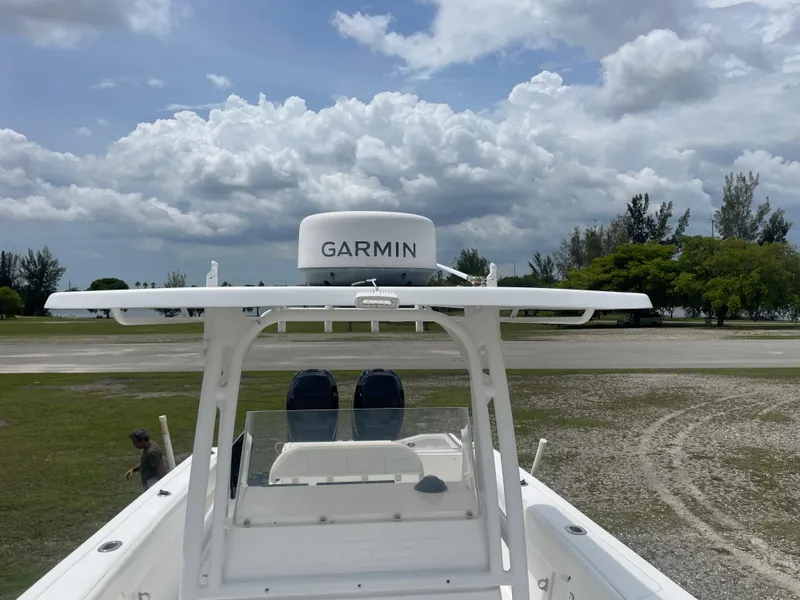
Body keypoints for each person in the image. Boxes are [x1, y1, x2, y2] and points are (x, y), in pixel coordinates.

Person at [125, 428, 167, 492]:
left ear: (142, 440)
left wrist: (160, 488)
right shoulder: (149, 446)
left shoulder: (151, 452)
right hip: (150, 483)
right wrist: (134, 469)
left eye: (135, 442)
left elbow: (160, 470)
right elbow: (146, 463)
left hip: (153, 483)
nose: (134, 445)